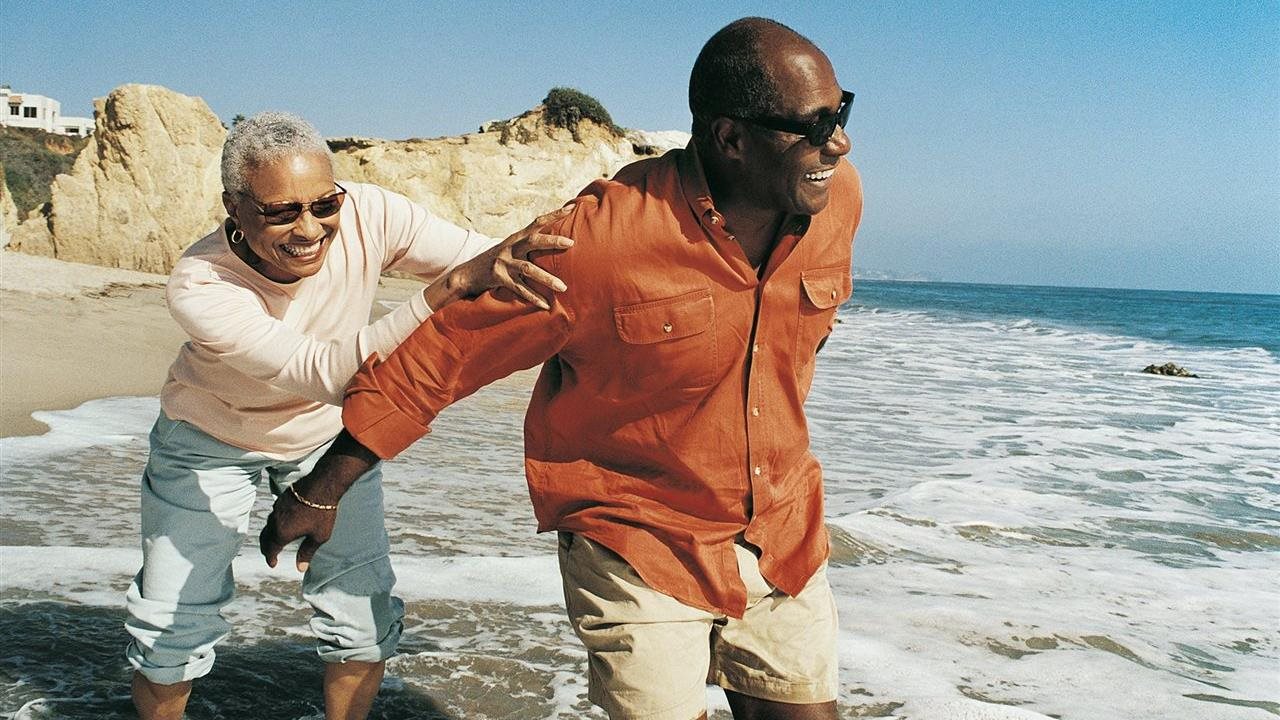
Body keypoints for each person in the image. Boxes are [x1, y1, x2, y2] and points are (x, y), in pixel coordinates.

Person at [261, 17, 861, 720]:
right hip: (639, 539)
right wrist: (324, 488)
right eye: (815, 126)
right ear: (730, 137)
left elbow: (803, 335)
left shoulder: (835, 200)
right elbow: (444, 358)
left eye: (841, 113)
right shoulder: (598, 241)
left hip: (781, 530)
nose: (839, 143)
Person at [125, 111, 571, 720]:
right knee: (171, 624)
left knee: (361, 616)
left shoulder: (370, 213)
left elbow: (487, 260)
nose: (310, 229)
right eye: (282, 212)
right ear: (234, 207)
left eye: (324, 204)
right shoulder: (201, 284)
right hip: (208, 440)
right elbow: (329, 373)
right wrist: (446, 289)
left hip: (326, 437)